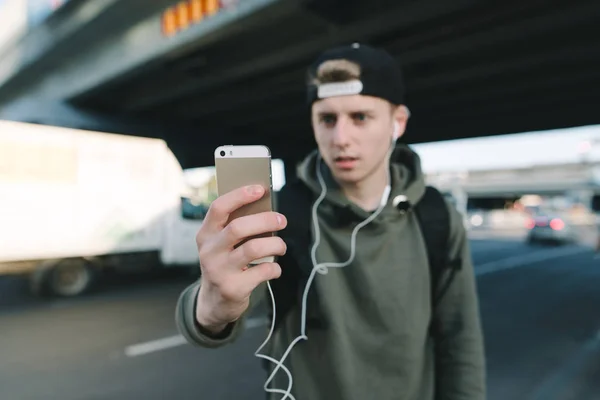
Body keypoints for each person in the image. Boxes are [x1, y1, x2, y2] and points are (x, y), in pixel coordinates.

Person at [175, 43, 486, 400]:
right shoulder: (281, 213)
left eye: (360, 117)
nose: (341, 138)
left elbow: (461, 342)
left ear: (397, 122)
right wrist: (212, 305)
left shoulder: (436, 215)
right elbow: (217, 316)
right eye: (327, 119)